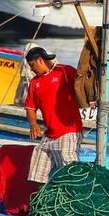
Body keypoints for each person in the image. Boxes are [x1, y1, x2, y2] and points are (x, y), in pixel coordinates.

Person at [24, 47, 84, 184]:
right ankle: (40, 202)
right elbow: (30, 107)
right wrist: (33, 124)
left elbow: (82, 87)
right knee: (36, 173)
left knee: (70, 172)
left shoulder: (64, 71)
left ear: (40, 60)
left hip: (69, 130)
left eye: (32, 65)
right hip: (49, 134)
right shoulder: (34, 83)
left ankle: (75, 200)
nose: (31, 69)